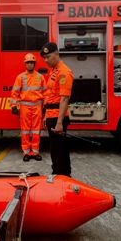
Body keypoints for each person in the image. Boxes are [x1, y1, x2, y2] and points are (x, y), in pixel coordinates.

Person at [40, 42, 74, 177]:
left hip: (58, 118)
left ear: (57, 54)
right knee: (55, 150)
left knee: (60, 150)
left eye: (48, 57)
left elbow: (64, 99)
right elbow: (50, 96)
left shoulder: (64, 72)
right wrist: (45, 116)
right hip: (51, 116)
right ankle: (57, 174)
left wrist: (59, 122)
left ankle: (63, 176)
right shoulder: (54, 71)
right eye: (44, 58)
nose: (46, 60)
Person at [10, 53, 46, 162]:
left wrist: (45, 106)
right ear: (25, 64)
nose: (30, 64)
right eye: (28, 63)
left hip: (37, 107)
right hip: (25, 107)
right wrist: (14, 106)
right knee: (25, 131)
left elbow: (46, 93)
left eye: (32, 62)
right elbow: (14, 93)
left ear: (34, 64)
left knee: (36, 131)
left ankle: (35, 152)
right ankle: (26, 152)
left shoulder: (40, 77)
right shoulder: (20, 77)